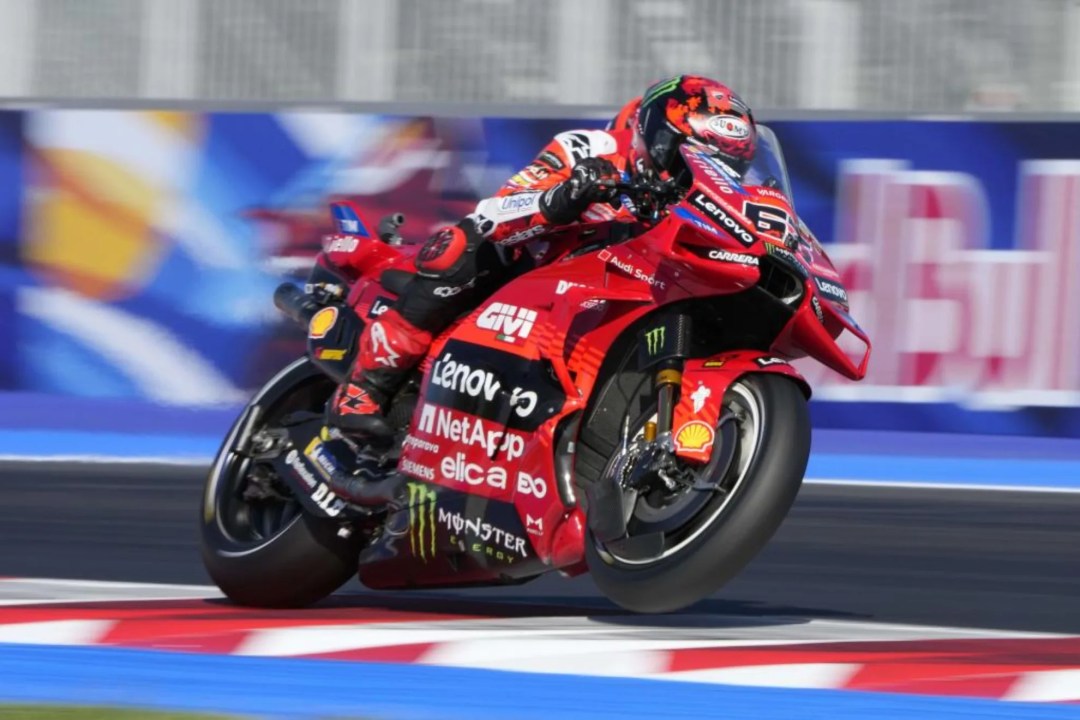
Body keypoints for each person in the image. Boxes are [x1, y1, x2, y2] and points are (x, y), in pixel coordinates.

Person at [321, 75, 759, 439]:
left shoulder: (696, 208)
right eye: (688, 154)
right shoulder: (591, 148)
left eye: (724, 165)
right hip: (529, 277)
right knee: (462, 247)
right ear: (655, 136)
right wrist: (564, 198)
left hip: (595, 308)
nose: (697, 170)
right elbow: (496, 212)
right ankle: (366, 388)